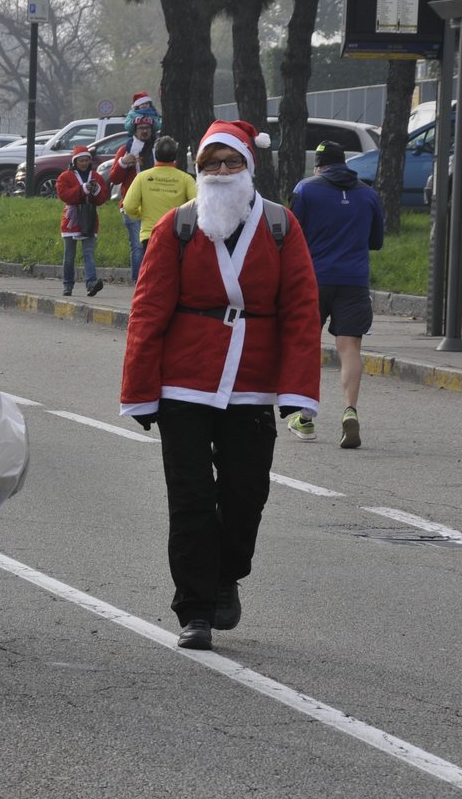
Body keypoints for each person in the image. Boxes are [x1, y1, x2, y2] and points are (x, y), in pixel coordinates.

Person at [119, 119, 319, 651]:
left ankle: (228, 571)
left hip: (251, 384)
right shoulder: (177, 227)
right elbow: (148, 310)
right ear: (198, 169)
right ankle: (195, 609)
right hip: (184, 384)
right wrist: (140, 387)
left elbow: (301, 310)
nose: (222, 172)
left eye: (232, 163)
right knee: (189, 499)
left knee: (244, 494)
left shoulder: (281, 226)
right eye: (211, 164)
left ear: (249, 168)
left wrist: (298, 390)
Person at [288, 140, 385, 449]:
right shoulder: (369, 194)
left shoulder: (306, 189)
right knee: (349, 348)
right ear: (345, 163)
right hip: (354, 280)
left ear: (319, 165)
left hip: (312, 279)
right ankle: (350, 411)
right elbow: (377, 241)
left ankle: (305, 419)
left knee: (307, 345)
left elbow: (289, 235)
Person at [123, 134, 197, 249]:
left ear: (156, 155)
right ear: (175, 156)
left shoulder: (142, 177)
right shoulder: (186, 179)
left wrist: (141, 214)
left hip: (150, 235)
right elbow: (197, 206)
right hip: (177, 235)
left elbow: (128, 207)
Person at [55, 144, 109, 297]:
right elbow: (64, 195)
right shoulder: (65, 177)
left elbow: (102, 198)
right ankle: (68, 284)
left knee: (89, 253)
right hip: (71, 219)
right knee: (69, 255)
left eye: (86, 160)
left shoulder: (96, 177)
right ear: (75, 162)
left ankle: (91, 283)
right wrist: (83, 189)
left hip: (89, 218)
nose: (84, 163)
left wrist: (96, 190)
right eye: (81, 161)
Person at [110, 115, 158, 283]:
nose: (144, 131)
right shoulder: (126, 150)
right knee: (137, 246)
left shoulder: (157, 148)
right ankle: (139, 282)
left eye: (147, 128)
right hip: (132, 205)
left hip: (156, 204)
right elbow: (114, 178)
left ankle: (152, 278)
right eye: (141, 128)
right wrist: (123, 163)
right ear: (134, 131)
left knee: (155, 244)